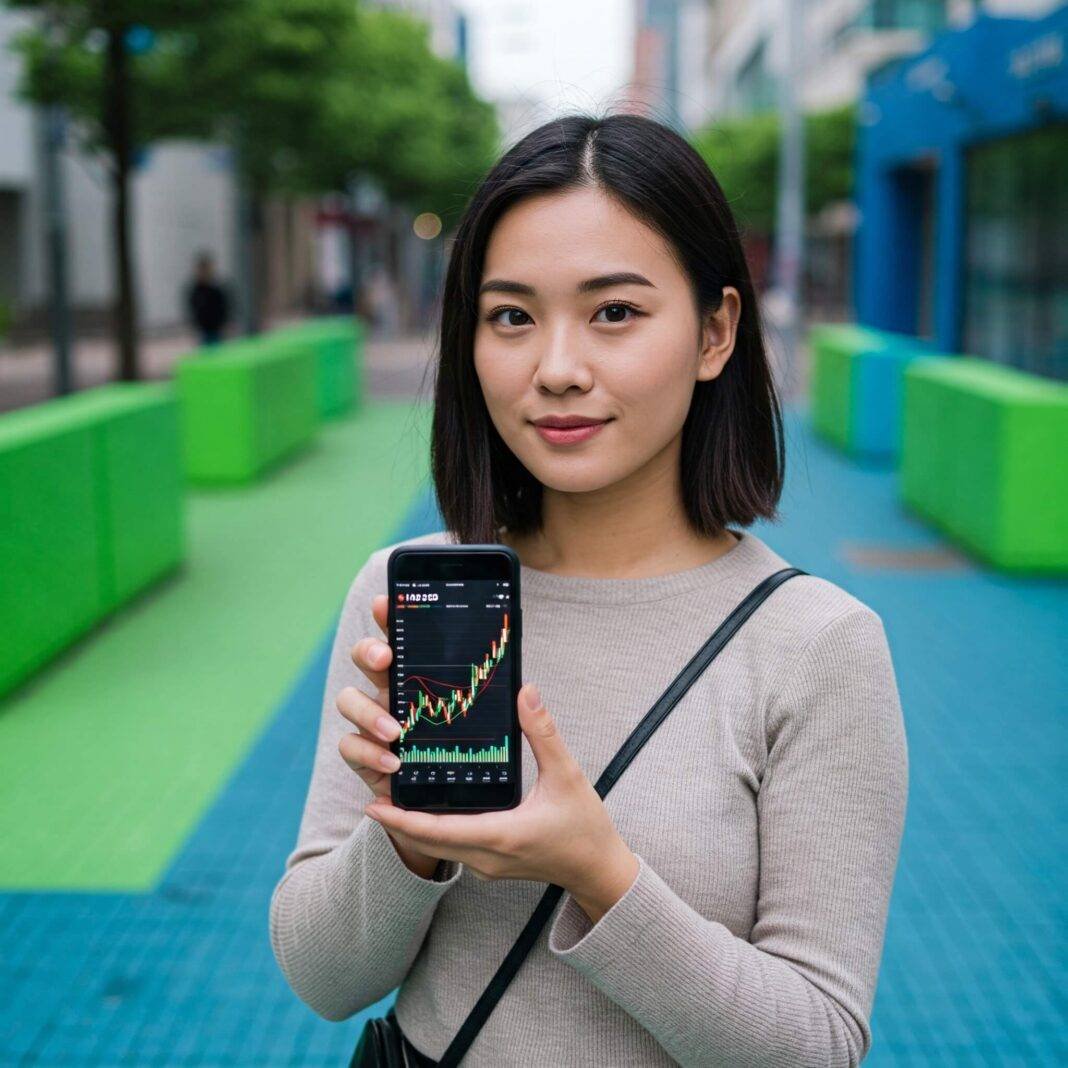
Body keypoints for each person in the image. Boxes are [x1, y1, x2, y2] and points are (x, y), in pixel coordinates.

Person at [268, 113, 909, 1066]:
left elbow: (816, 1046)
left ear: (715, 330)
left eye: (615, 312)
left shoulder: (817, 647)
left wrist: (598, 872)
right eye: (511, 316)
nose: (556, 370)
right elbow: (324, 979)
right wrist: (409, 839)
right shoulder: (409, 596)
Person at [186, 251, 229, 347]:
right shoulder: (196, 291)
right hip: (203, 331)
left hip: (217, 330)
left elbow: (223, 307)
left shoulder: (216, 289)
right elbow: (193, 308)